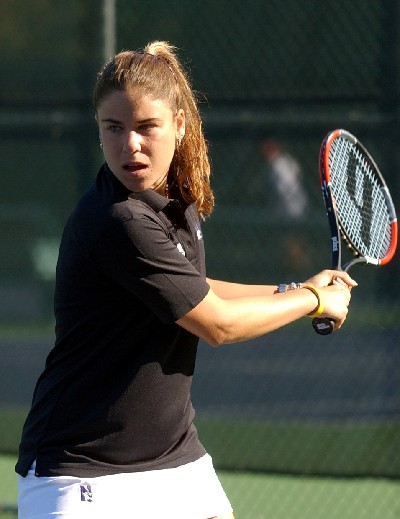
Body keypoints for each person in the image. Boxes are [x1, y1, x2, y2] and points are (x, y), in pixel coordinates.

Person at [15, 41, 357, 519]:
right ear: (98, 130)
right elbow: (218, 325)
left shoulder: (174, 202)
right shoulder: (118, 219)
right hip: (84, 472)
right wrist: (314, 301)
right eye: (113, 128)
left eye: (145, 127)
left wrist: (296, 289)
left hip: (173, 457)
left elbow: (196, 287)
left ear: (178, 124)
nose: (130, 144)